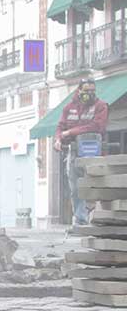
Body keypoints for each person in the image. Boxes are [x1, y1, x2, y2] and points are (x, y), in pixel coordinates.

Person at [54, 78, 107, 226]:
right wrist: (58, 139)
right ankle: (80, 218)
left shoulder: (100, 106)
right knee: (75, 187)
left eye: (92, 91)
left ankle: (96, 216)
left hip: (94, 152)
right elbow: (60, 126)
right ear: (79, 91)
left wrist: (70, 132)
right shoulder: (69, 108)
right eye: (86, 91)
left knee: (93, 184)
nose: (89, 94)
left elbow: (97, 126)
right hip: (74, 152)